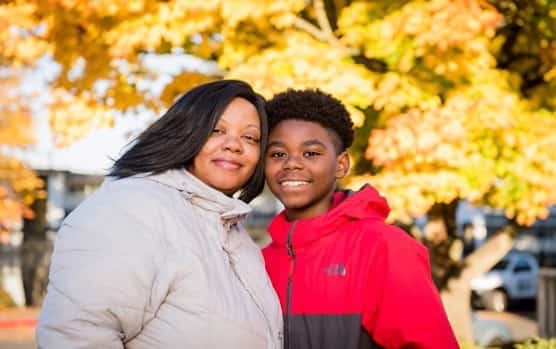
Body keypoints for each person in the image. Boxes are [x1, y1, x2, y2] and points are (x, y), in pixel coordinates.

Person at [36, 80, 283, 349]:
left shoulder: (236, 238)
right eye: (216, 130)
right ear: (185, 132)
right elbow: (76, 336)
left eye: (250, 137)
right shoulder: (130, 210)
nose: (234, 144)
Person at [262, 89, 459, 349]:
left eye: (311, 153)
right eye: (278, 154)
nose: (291, 164)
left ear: (341, 165)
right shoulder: (257, 261)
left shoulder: (384, 247)